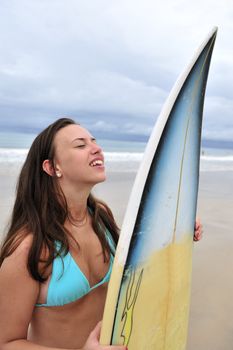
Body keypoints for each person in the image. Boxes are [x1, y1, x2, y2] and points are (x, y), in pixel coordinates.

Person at [0, 118, 202, 350]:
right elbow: (6, 342)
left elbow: (131, 273)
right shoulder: (29, 249)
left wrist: (175, 234)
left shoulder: (100, 217)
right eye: (80, 145)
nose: (96, 148)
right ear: (52, 167)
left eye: (94, 141)